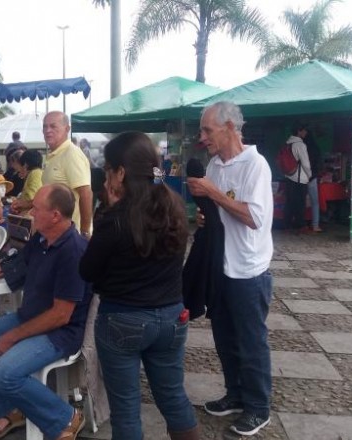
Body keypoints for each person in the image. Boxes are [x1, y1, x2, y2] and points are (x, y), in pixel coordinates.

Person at [79, 132, 198, 440]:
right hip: (172, 316)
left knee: (126, 410)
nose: (106, 177)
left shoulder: (114, 218)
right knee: (173, 397)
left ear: (119, 172)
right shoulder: (174, 207)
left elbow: (87, 270)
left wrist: (107, 209)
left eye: (108, 169)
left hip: (122, 319)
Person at [0, 184, 91, 440]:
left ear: (56, 215)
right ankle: (7, 411)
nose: (31, 213)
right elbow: (11, 268)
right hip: (31, 317)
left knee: (3, 373)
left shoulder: (74, 251)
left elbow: (61, 315)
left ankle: (66, 416)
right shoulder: (41, 238)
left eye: (36, 208)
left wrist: (12, 336)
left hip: (61, 332)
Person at [186, 101, 273, 437]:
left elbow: (254, 217)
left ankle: (258, 407)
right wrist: (204, 214)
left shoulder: (256, 165)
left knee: (251, 342)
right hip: (220, 266)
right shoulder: (214, 165)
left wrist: (214, 193)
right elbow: (215, 210)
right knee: (224, 338)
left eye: (208, 129)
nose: (202, 136)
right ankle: (235, 395)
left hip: (249, 270)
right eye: (202, 130)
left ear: (231, 128)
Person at [13, 111, 92, 237]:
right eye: (45, 126)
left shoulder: (71, 154)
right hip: (54, 234)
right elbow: (50, 198)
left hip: (70, 235)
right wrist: (26, 204)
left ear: (67, 129)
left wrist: (84, 232)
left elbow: (86, 193)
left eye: (53, 126)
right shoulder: (54, 155)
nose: (48, 130)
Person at [283, 124, 311, 232]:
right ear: (299, 131)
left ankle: (287, 223)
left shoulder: (287, 143)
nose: (306, 133)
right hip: (299, 177)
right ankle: (300, 224)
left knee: (289, 201)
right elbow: (305, 163)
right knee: (300, 202)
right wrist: (309, 175)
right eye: (304, 130)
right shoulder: (300, 145)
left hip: (288, 175)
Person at [12, 149, 43, 215]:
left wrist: (18, 205)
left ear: (26, 164)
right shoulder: (34, 173)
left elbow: (31, 198)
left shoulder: (35, 173)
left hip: (30, 216)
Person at [304, 132, 323, 232]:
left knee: (301, 201)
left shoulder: (301, 147)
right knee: (315, 202)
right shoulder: (315, 148)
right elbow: (319, 164)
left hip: (301, 178)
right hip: (312, 178)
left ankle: (302, 224)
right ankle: (315, 225)